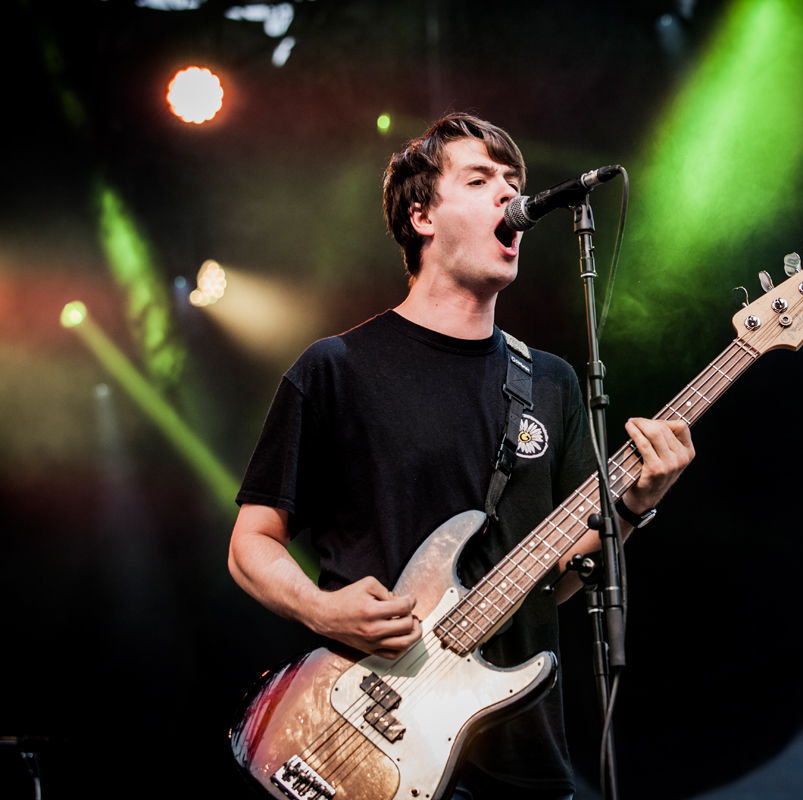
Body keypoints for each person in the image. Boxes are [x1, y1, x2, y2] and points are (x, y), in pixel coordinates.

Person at [227, 113, 695, 799]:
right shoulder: (338, 368)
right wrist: (320, 609)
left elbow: (555, 582)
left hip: (523, 753)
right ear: (421, 215)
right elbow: (251, 541)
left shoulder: (551, 382)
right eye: (481, 180)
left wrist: (631, 506)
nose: (511, 199)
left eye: (515, 182)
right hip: (362, 742)